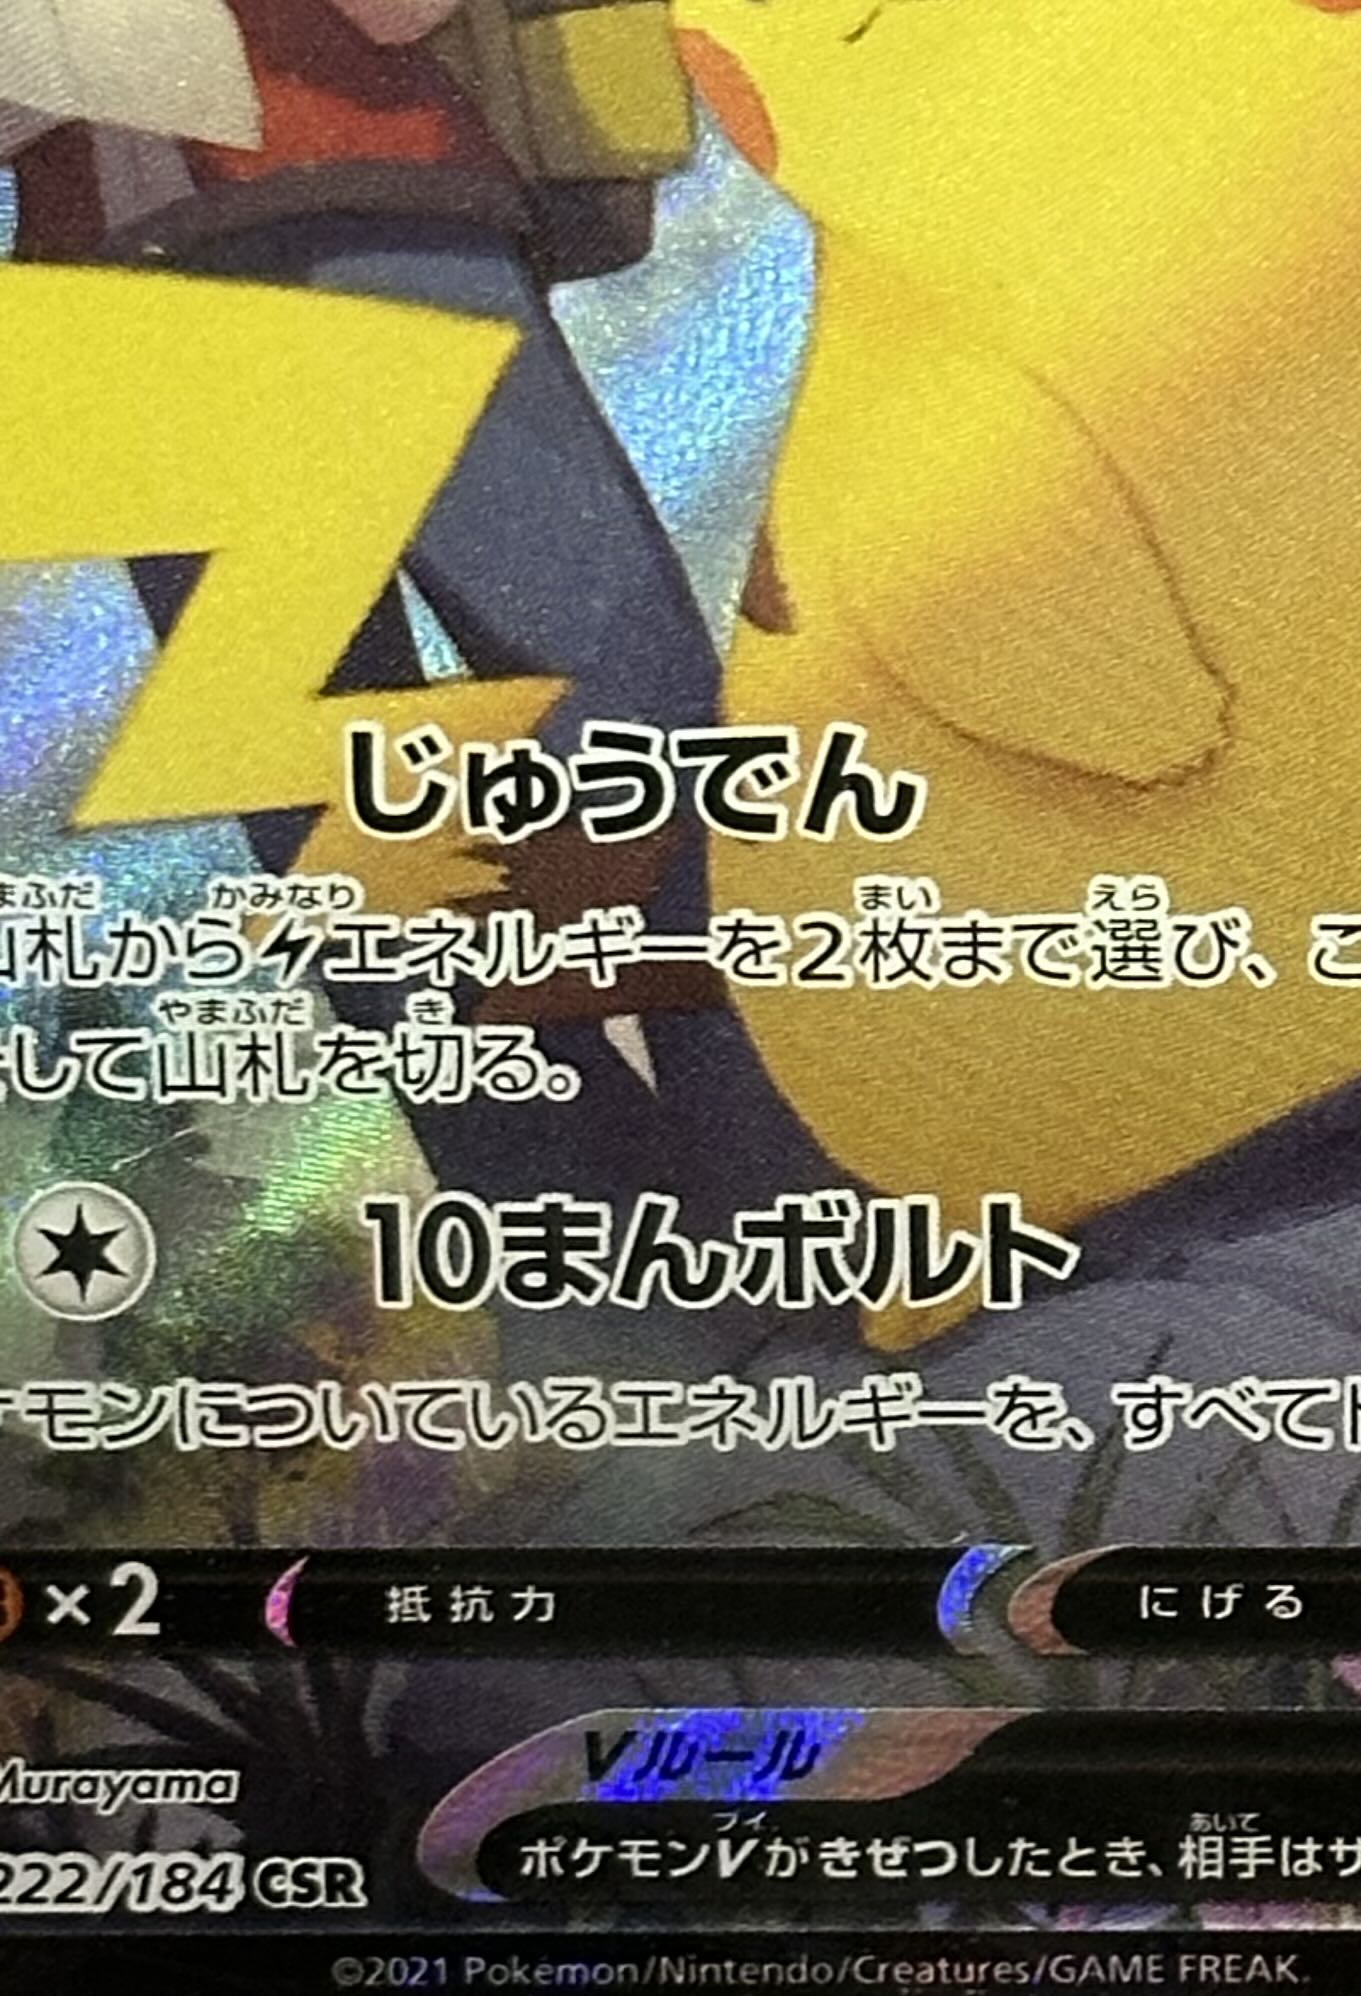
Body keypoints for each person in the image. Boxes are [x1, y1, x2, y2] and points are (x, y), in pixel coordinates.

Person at [5, 0, 837, 1298]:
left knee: (622, 695)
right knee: (334, 815)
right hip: (120, 288)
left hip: (372, 204)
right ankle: (573, 1235)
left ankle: (776, 1156)